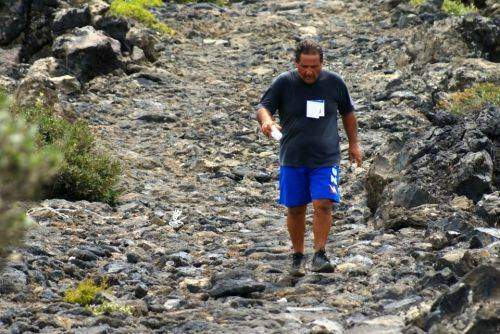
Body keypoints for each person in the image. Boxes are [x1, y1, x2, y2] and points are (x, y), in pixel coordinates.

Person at [256, 40, 362, 276]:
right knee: (295, 208)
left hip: (326, 158)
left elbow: (348, 112)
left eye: (314, 66)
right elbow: (263, 106)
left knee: (323, 203)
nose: (309, 71)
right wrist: (266, 121)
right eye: (304, 66)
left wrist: (354, 144)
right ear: (296, 63)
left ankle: (320, 253)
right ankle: (297, 254)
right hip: (292, 157)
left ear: (322, 63)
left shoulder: (334, 82)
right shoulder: (284, 82)